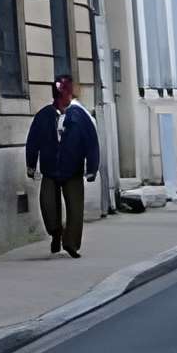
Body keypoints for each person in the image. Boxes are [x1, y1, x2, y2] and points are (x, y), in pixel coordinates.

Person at [25, 73, 101, 258]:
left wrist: (92, 167)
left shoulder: (79, 116)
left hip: (73, 168)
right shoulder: (44, 116)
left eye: (65, 93)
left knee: (75, 208)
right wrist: (31, 164)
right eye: (59, 94)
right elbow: (33, 140)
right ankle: (56, 232)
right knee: (48, 204)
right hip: (50, 168)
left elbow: (91, 142)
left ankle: (71, 242)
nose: (63, 97)